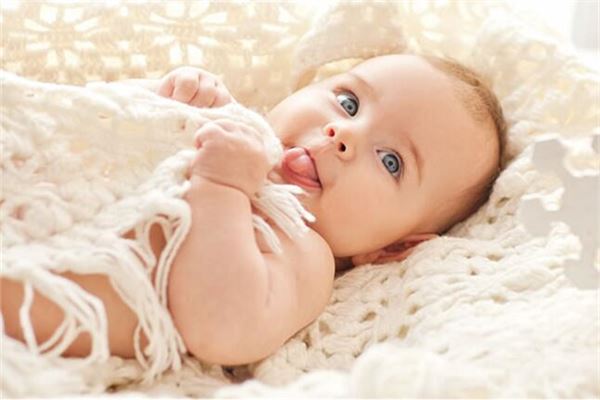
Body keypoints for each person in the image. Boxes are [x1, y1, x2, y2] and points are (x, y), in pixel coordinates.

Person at [1, 53, 506, 367]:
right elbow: (89, 124)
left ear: (393, 247)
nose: (344, 134)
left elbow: (223, 329)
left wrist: (222, 186)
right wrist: (168, 96)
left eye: (391, 160)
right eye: (349, 102)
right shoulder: (231, 126)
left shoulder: (305, 253)